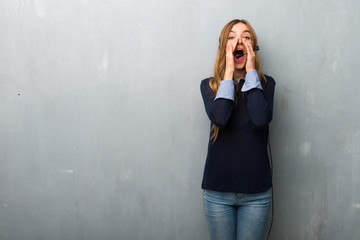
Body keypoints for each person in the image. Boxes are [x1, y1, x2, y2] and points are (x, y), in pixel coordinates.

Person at [200, 19, 276, 240]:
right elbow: (221, 118)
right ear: (225, 47)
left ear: (253, 48)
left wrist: (251, 72)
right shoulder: (210, 85)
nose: (239, 41)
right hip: (217, 194)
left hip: (257, 195)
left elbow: (260, 119)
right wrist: (228, 74)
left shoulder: (266, 84)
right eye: (232, 37)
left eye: (246, 36)